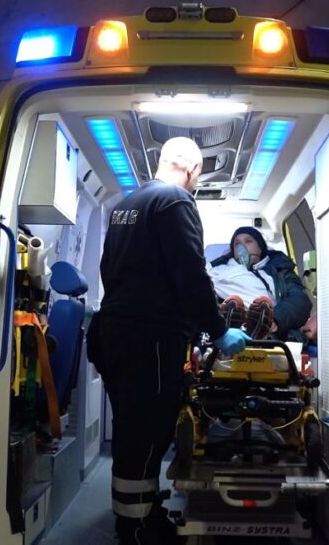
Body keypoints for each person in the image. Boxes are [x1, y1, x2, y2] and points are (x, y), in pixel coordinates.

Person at [88, 136, 250, 544]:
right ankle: (139, 529)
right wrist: (218, 330)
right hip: (151, 338)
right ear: (193, 170)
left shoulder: (125, 205)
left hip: (114, 332)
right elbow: (190, 272)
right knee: (147, 433)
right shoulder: (176, 202)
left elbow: (110, 269)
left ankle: (137, 515)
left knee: (131, 430)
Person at [207, 226, 312, 341]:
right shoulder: (218, 271)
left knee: (262, 309)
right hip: (228, 320)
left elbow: (299, 299)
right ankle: (232, 325)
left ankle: (258, 327)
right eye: (237, 244)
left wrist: (275, 320)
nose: (242, 247)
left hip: (271, 326)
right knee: (231, 304)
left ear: (260, 248)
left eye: (248, 241)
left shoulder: (280, 271)